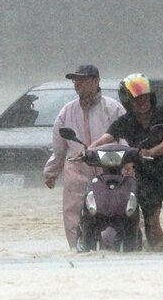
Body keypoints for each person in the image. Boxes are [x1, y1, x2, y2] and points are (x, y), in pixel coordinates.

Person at [92, 73, 163, 251]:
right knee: (151, 219)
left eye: (145, 98)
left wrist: (152, 152)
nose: (142, 102)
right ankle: (159, 254)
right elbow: (108, 138)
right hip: (146, 174)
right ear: (127, 101)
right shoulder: (125, 122)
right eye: (137, 99)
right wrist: (88, 150)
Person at [44, 64, 124, 249]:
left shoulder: (113, 109)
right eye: (75, 80)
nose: (77, 83)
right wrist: (51, 173)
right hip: (77, 168)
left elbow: (125, 139)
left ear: (96, 81)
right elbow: (59, 148)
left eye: (82, 79)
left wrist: (129, 164)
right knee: (73, 212)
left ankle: (125, 246)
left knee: (121, 207)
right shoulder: (67, 112)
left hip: (111, 169)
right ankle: (77, 249)